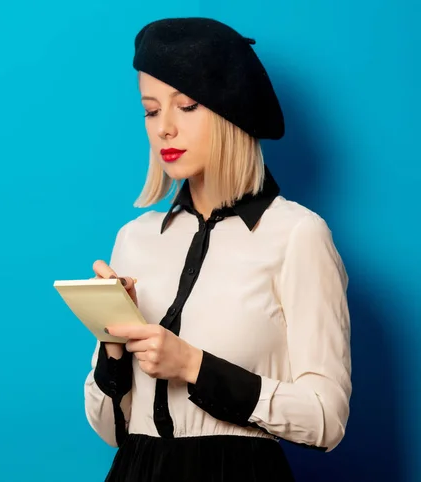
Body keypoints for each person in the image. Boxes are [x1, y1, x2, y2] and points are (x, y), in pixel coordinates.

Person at [83, 16, 351, 482]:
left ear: (232, 112)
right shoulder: (135, 238)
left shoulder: (297, 234)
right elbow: (110, 429)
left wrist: (192, 365)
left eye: (186, 105)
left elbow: (326, 420)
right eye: (150, 110)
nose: (164, 128)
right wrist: (112, 349)